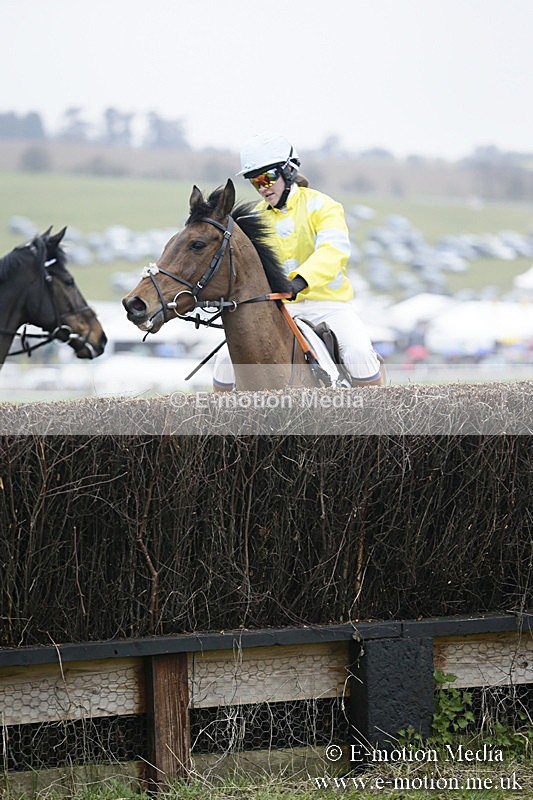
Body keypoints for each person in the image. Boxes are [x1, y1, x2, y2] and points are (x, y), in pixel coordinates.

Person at [213, 132, 383, 389]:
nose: (263, 187)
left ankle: (377, 423)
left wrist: (300, 281)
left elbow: (333, 251)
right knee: (226, 361)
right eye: (254, 181)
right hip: (279, 309)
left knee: (358, 354)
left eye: (268, 177)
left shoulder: (324, 206)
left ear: (288, 171)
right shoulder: (252, 219)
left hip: (329, 306)